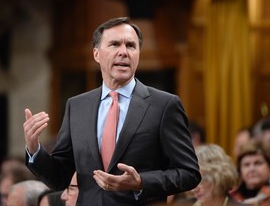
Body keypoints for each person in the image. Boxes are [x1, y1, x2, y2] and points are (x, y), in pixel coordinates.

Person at [23, 16, 201, 205]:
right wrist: (34, 149)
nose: (123, 52)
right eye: (115, 44)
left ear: (138, 54)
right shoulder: (77, 106)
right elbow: (60, 177)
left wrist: (140, 182)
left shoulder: (164, 105)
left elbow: (189, 173)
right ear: (96, 54)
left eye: (131, 46)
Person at [229, 140, 270, 205]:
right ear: (239, 170)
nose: (252, 169)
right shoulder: (230, 197)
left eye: (258, 163)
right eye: (246, 164)